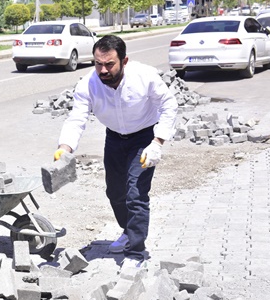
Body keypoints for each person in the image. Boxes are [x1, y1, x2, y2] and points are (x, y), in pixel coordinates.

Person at [54, 35, 178, 264]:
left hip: (144, 138)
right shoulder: (88, 84)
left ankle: (136, 253)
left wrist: (158, 142)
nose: (103, 70)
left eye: (109, 64)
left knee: (135, 194)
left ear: (124, 60)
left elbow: (169, 104)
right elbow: (76, 118)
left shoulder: (145, 76)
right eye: (98, 63)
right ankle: (128, 232)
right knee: (115, 192)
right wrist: (65, 147)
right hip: (114, 139)